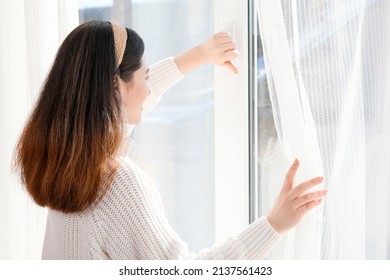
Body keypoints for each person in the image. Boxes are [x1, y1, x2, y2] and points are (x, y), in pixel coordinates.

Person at [14, 20, 327, 259]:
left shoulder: (65, 158)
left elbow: (123, 114)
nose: (149, 89)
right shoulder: (116, 182)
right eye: (144, 77)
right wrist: (273, 224)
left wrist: (198, 56)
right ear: (115, 87)